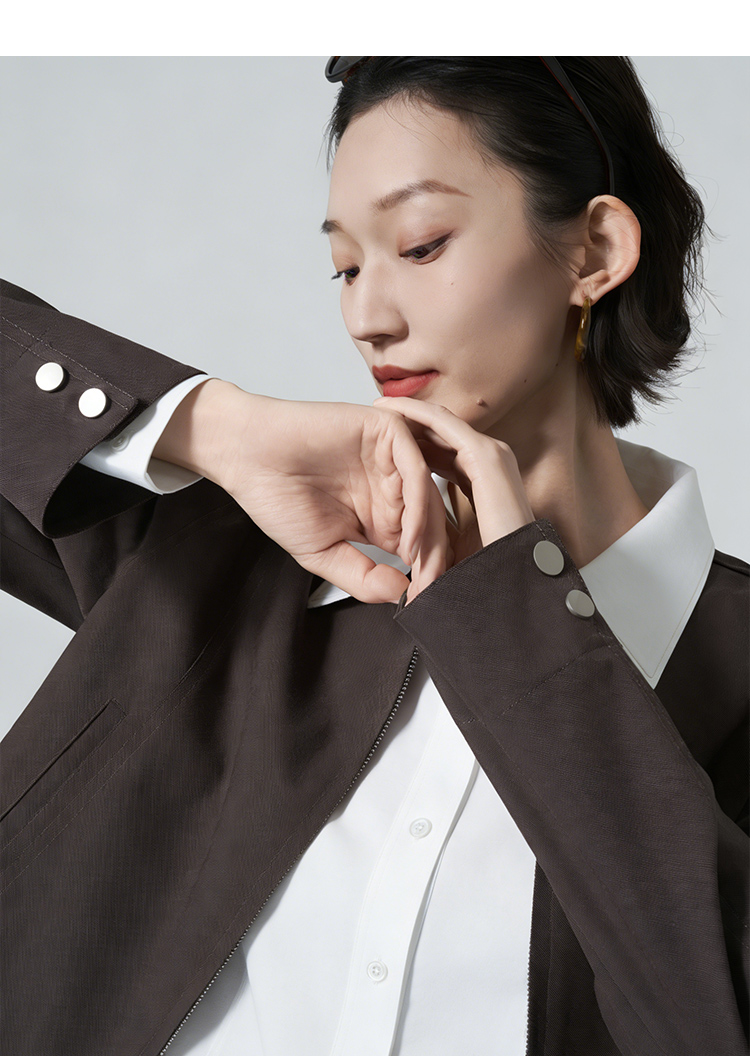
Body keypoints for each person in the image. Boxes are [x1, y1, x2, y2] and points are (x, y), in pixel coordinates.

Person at [0, 56, 747, 1056]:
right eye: (346, 268)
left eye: (421, 245)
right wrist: (218, 426)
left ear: (596, 249)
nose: (367, 318)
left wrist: (518, 617)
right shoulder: (223, 566)